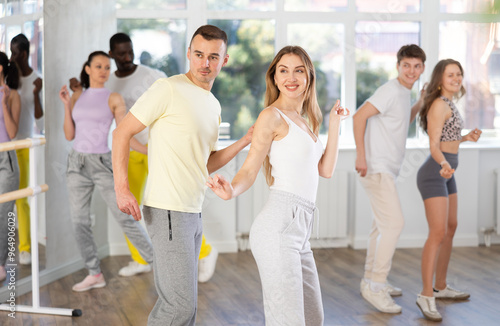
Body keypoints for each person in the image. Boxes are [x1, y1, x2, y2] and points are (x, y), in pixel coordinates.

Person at [112, 25, 253, 325]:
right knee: (177, 307)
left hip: (192, 210)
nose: (205, 63)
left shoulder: (213, 105)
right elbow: (122, 132)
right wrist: (122, 189)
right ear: (188, 54)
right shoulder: (168, 88)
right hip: (168, 209)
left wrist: (243, 141)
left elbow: (206, 163)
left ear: (224, 60)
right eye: (199, 55)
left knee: (186, 308)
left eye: (213, 57)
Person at [207, 45, 349, 325]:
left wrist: (334, 124)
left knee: (312, 318)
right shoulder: (270, 117)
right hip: (278, 229)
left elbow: (326, 170)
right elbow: (250, 168)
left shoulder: (306, 121)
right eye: (283, 71)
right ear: (274, 78)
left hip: (300, 232)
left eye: (298, 70)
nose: (291, 77)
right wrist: (231, 190)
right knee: (288, 320)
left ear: (309, 76)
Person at [58, 51, 153, 292]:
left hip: (101, 163)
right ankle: (94, 273)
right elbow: (69, 135)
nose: (103, 70)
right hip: (76, 164)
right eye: (98, 66)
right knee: (79, 221)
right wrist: (67, 105)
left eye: (107, 67)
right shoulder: (78, 95)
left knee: (125, 217)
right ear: (88, 69)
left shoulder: (114, 98)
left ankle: (159, 265)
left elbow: (124, 133)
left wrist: (146, 150)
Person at [353, 44, 426, 313]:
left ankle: (370, 280)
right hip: (376, 167)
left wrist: (421, 101)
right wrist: (361, 156)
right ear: (398, 66)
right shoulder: (390, 90)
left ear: (423, 68)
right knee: (394, 225)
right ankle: (376, 285)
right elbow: (359, 116)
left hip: (384, 169)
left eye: (417, 66)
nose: (411, 70)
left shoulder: (403, 93)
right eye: (406, 65)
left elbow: (400, 121)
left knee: (381, 227)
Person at [415, 59, 481, 321]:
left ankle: (440, 286)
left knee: (451, 227)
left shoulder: (450, 103)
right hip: (435, 172)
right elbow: (434, 146)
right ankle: (425, 294)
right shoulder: (439, 104)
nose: (456, 78)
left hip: (447, 172)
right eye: (450, 74)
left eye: (459, 74)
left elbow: (448, 138)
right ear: (440, 78)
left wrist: (466, 137)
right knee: (438, 233)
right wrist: (443, 163)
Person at [9, 33, 44, 265]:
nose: (12, 56)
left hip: (23, 146)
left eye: (14, 52)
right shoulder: (9, 76)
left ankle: (25, 248)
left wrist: (36, 94)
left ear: (23, 53)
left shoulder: (36, 80)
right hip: (5, 145)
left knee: (21, 199)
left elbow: (40, 120)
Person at [0, 51, 21, 281]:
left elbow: (12, 132)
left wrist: (4, 103)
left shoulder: (13, 95)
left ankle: (0, 264)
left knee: (3, 213)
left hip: (6, 158)